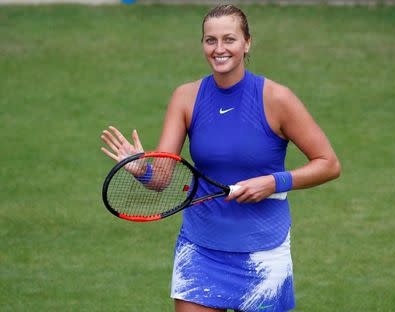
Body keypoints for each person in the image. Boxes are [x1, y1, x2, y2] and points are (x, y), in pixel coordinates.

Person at [101, 4, 340, 312]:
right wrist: (141, 170)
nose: (219, 49)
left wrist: (272, 182)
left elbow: (328, 163)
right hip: (201, 248)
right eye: (210, 40)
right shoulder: (186, 97)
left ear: (247, 43)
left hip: (263, 251)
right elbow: (162, 178)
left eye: (229, 39)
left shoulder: (276, 98)